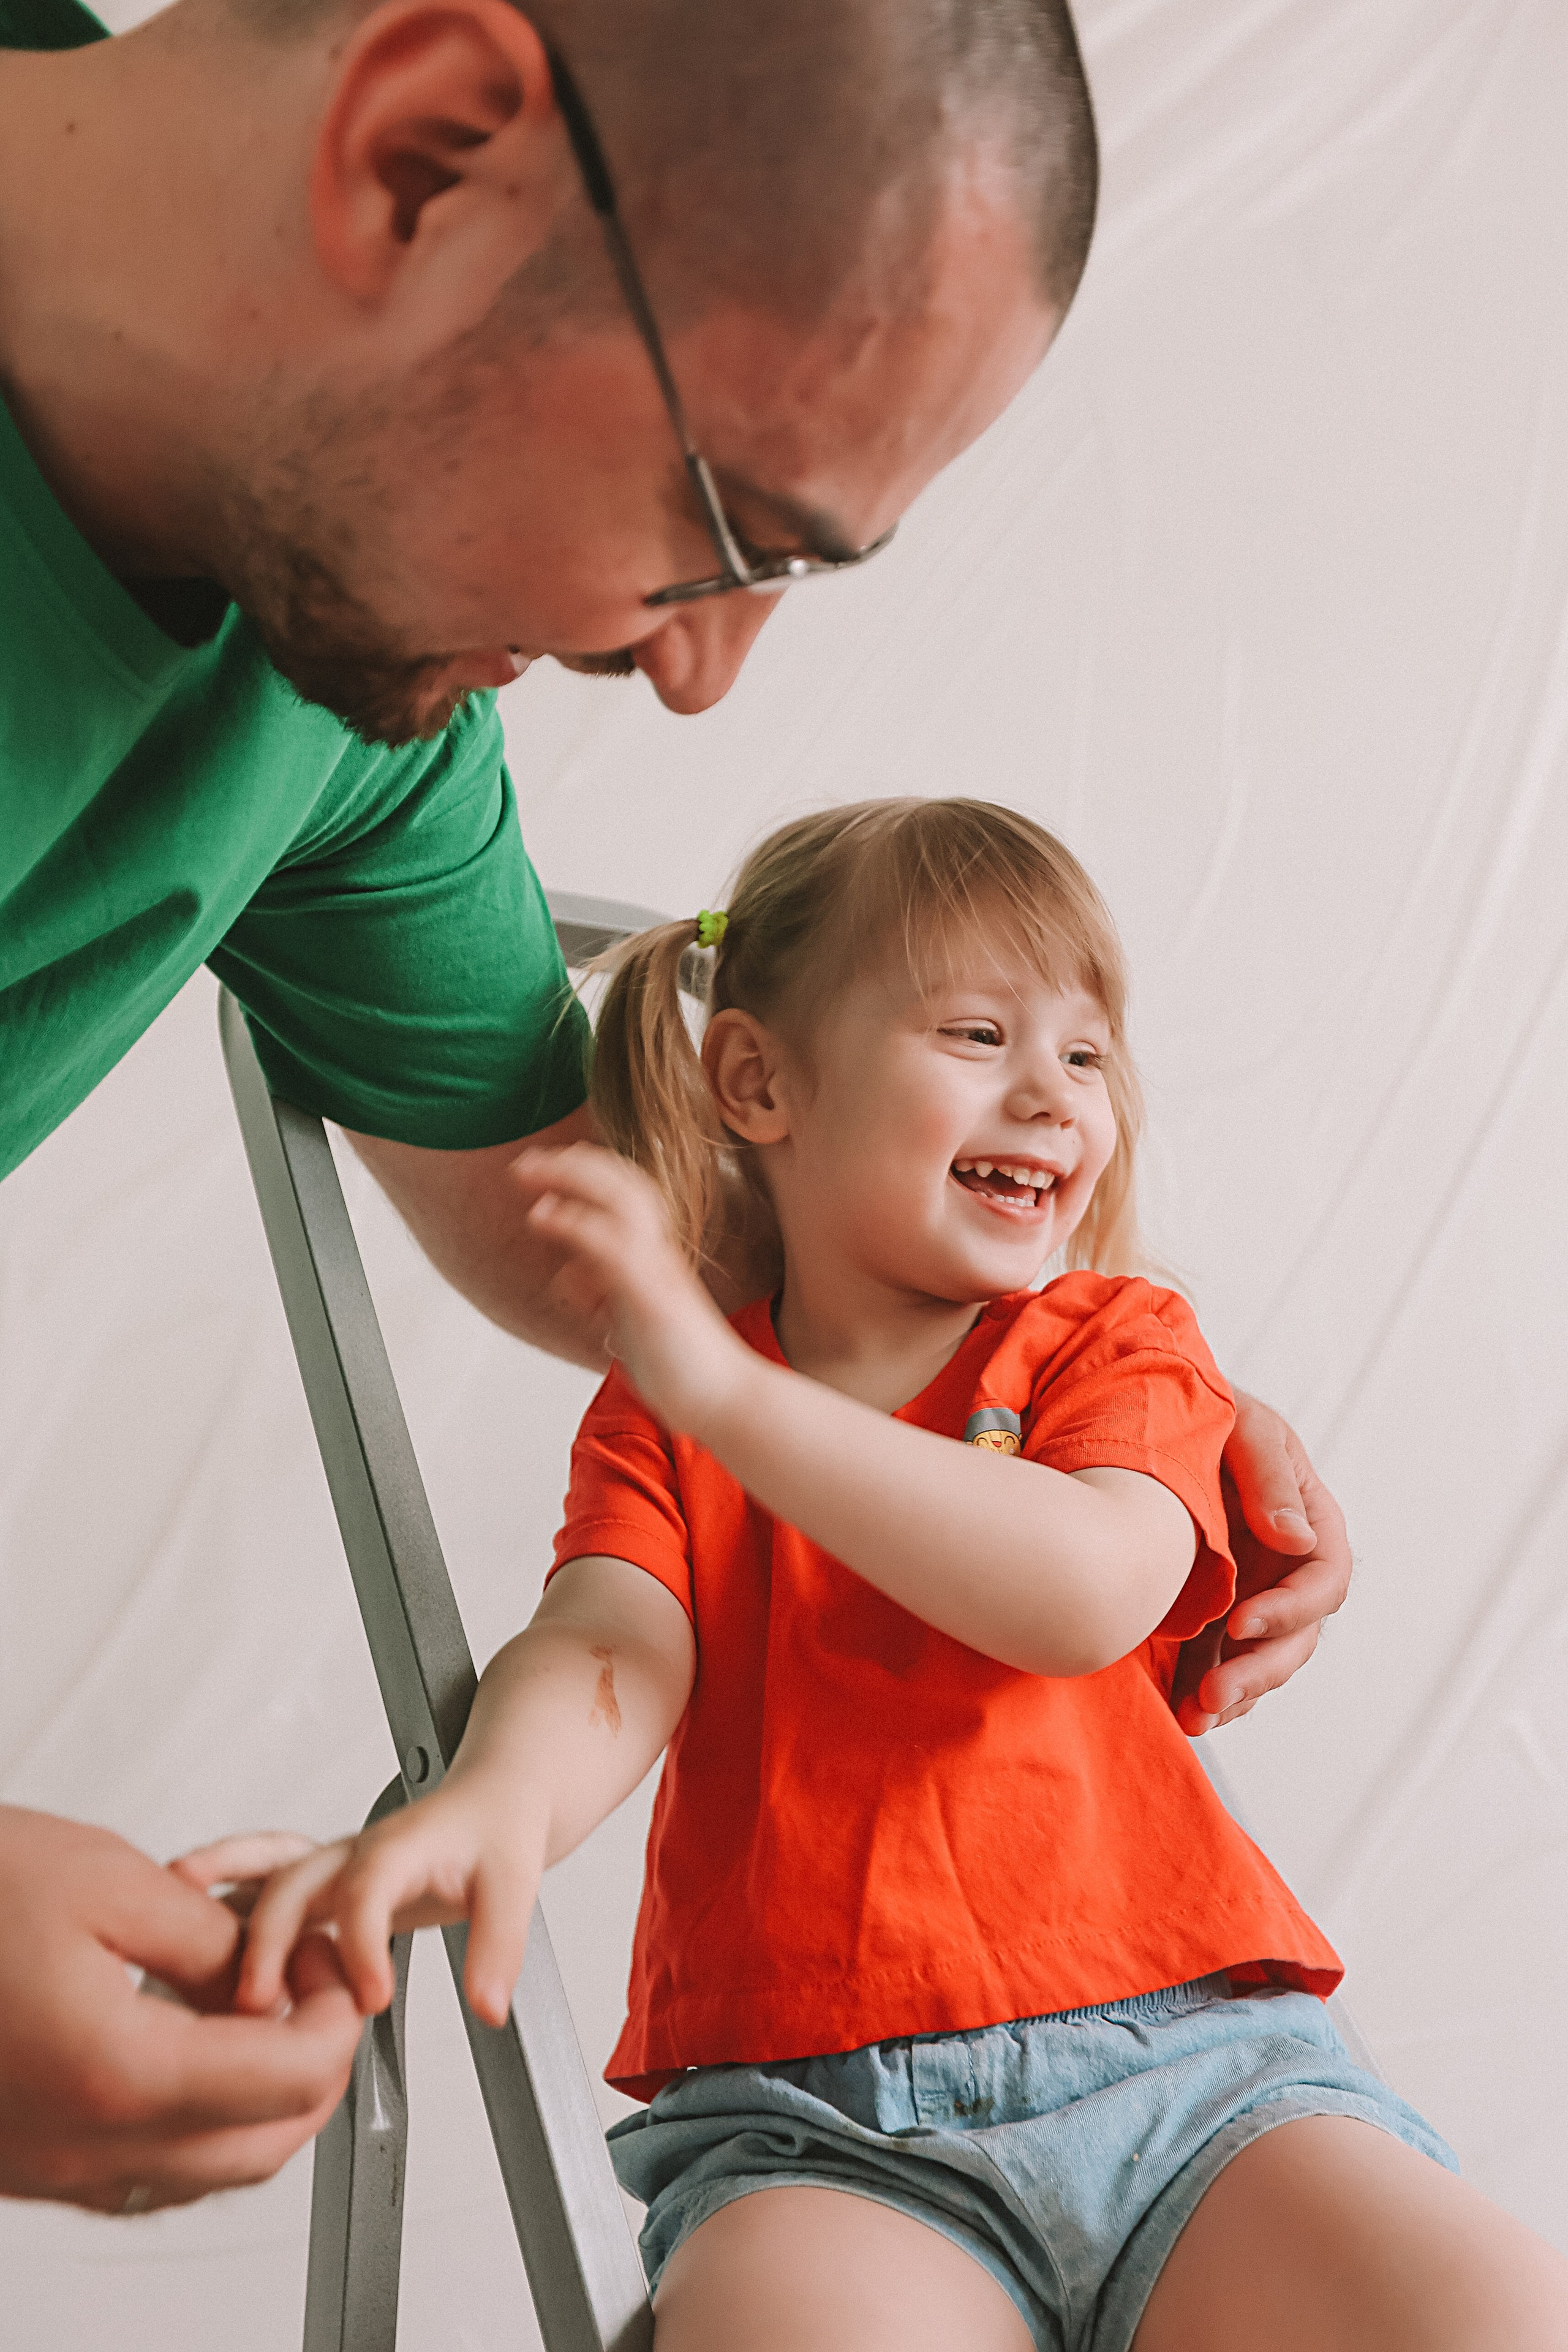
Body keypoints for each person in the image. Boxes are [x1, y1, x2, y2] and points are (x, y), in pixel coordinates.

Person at [0, 0, 1348, 2212]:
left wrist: (1107, 1398)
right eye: (729, 519)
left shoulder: (349, 716)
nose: (703, 674)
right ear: (424, 160)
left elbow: (626, 1245)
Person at [191, 797, 1568, 2350]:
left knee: (1494, 2314)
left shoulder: (1109, 1346)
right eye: (979, 1035)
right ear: (757, 1081)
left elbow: (1080, 1590)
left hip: (1189, 2072)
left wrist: (730, 1394)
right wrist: (499, 1797)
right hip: (816, 2130)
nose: (1049, 1092)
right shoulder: (664, 1412)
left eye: (1086, 1053)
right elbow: (609, 1644)